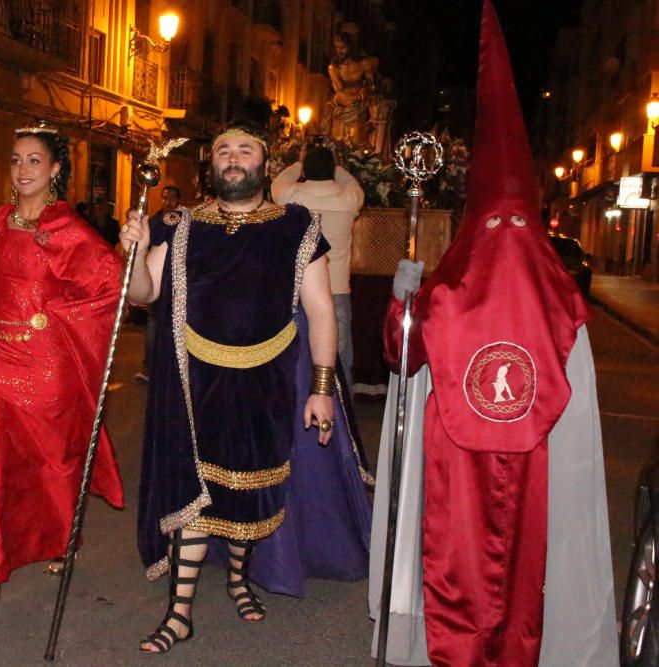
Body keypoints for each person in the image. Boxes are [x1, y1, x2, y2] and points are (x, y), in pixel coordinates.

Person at [368, 3, 617, 665]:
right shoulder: (446, 288)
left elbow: (577, 392)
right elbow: (403, 357)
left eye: (517, 222)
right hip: (450, 459)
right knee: (455, 561)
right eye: (494, 222)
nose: (505, 238)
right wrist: (404, 304)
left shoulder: (558, 298)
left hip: (535, 466)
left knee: (523, 566)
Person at [121, 122, 373, 654]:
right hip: (195, 381)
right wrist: (136, 253)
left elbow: (323, 313)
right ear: (211, 165)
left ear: (265, 162)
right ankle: (179, 613)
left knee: (250, 489)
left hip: (268, 380)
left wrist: (322, 388)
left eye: (245, 150)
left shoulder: (296, 226)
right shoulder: (181, 223)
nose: (233, 158)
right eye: (223, 151)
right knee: (196, 493)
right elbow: (145, 294)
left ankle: (238, 577)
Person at [0, 122, 125, 612]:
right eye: (16, 160)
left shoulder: (69, 231)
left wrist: (56, 317)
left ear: (55, 169)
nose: (23, 169)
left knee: (53, 463)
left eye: (34, 160)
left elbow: (110, 288)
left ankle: (60, 539)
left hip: (45, 365)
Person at [272, 145, 364, 388]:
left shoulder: (291, 196)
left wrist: (299, 163)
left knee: (296, 358)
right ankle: (341, 419)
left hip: (299, 290)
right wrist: (337, 165)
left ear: (305, 170)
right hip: (336, 289)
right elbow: (352, 182)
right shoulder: (348, 198)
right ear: (333, 170)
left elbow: (278, 181)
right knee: (339, 360)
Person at [134, 184, 181, 384]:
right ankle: (149, 368)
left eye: (170, 198)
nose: (166, 202)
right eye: (164, 197)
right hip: (156, 281)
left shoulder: (184, 221)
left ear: (178, 200)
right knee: (153, 328)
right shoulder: (155, 221)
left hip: (176, 284)